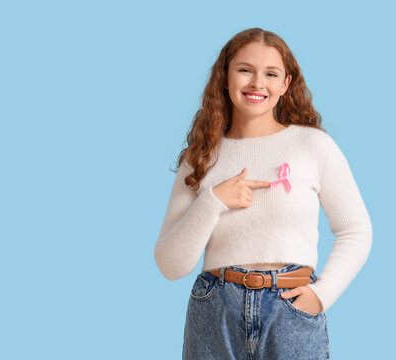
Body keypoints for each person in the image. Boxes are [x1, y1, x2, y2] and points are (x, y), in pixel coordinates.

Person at [154, 27, 372, 360]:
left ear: (286, 84)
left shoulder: (313, 146)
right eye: (245, 70)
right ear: (224, 78)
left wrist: (322, 294)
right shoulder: (200, 157)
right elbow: (170, 265)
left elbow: (356, 230)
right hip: (214, 309)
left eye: (271, 73)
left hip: (291, 308)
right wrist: (213, 202)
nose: (258, 83)